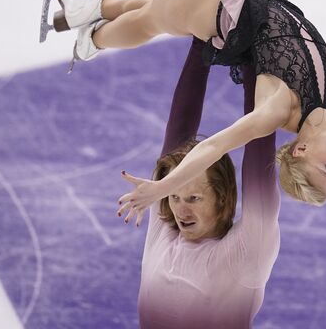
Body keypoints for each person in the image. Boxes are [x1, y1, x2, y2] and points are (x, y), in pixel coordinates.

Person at [41, 0, 326, 321]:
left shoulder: (274, 111)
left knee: (151, 18)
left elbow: (211, 148)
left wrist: (162, 188)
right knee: (150, 9)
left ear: (301, 151)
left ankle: (90, 37)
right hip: (246, 8)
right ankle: (95, 7)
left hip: (225, 10)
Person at [120, 37, 281, 328]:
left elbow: (259, 161)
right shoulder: (165, 228)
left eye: (194, 199)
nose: (181, 211)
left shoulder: (245, 252)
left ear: (223, 198)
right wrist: (200, 41)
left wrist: (251, 66)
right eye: (175, 197)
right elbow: (177, 136)